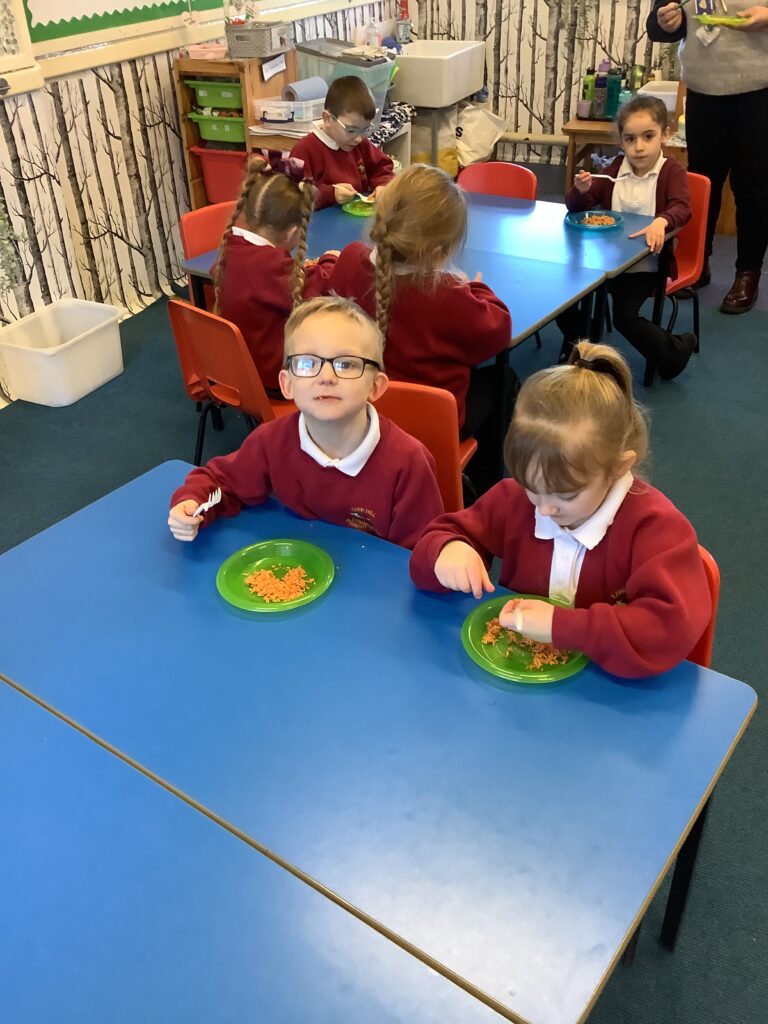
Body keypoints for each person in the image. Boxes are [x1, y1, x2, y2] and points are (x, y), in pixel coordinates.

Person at [410, 341, 710, 679]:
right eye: (531, 487)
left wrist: (562, 626)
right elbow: (434, 541)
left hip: (606, 692)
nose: (545, 509)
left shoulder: (655, 529)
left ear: (618, 467)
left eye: (566, 496)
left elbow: (669, 629)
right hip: (518, 678)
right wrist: (448, 549)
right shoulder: (515, 500)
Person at [169, 296, 444, 550]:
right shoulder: (271, 440)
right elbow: (221, 482)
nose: (326, 377)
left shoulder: (408, 463)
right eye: (307, 363)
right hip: (300, 565)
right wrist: (192, 502)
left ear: (376, 386)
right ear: (287, 384)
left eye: (346, 364)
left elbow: (419, 551)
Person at [330, 163, 514, 491]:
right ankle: (482, 491)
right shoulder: (447, 296)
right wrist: (476, 288)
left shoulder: (349, 261)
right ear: (439, 252)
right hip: (431, 425)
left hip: (358, 411)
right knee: (504, 380)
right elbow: (498, 330)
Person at [558, 96, 696, 380]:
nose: (639, 147)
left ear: (665, 135)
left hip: (646, 265)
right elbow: (578, 206)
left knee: (624, 317)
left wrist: (662, 220)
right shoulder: (616, 168)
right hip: (608, 260)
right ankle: (583, 338)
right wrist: (581, 190)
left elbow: (682, 208)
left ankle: (675, 351)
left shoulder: (671, 171)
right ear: (621, 141)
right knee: (560, 293)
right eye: (630, 139)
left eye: (648, 137)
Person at [648, 1, 768, 313]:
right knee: (702, 183)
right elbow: (657, 25)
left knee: (753, 187)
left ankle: (747, 274)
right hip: (703, 90)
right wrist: (665, 23)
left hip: (760, 89)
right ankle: (697, 264)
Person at [212, 152, 337, 392]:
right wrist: (330, 259)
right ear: (292, 233)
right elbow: (320, 287)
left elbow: (268, 283)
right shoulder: (272, 267)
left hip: (237, 365)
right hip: (272, 375)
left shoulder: (232, 249)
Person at [291, 76, 395, 210]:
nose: (358, 138)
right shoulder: (305, 150)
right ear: (327, 119)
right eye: (351, 130)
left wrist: (383, 186)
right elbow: (295, 198)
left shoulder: (360, 143)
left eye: (365, 130)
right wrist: (330, 194)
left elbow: (382, 168)